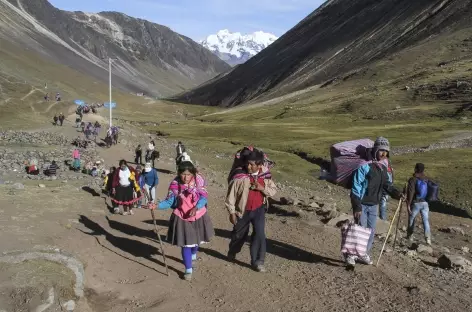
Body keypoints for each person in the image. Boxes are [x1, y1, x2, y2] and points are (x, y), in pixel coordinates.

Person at [148, 161, 214, 281]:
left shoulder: (198, 182)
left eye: (188, 174)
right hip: (182, 217)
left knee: (196, 242)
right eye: (183, 174)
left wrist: (196, 207)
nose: (185, 177)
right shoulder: (175, 186)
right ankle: (188, 269)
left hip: (199, 215)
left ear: (193, 174)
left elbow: (204, 198)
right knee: (186, 244)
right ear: (179, 173)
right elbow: (169, 202)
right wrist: (156, 206)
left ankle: (194, 254)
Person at [348, 137, 404, 267]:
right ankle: (351, 255)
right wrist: (356, 206)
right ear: (375, 150)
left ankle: (362, 253)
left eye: (386, 151)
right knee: (360, 231)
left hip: (374, 205)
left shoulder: (383, 168)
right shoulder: (364, 166)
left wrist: (397, 193)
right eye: (381, 151)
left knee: (371, 232)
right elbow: (356, 187)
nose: (384, 154)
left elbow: (387, 185)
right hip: (361, 203)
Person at [225, 149, 277, 273]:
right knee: (239, 234)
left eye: (252, 164)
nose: (248, 166)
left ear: (259, 165)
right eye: (247, 163)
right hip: (242, 211)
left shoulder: (265, 175)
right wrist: (232, 212)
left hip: (259, 209)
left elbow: (273, 190)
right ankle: (233, 251)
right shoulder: (239, 176)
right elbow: (231, 196)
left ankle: (258, 261)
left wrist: (261, 188)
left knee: (259, 235)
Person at [406, 163, 432, 245]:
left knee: (411, 219)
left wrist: (408, 204)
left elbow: (411, 192)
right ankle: (428, 238)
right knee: (425, 220)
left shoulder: (413, 179)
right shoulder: (426, 179)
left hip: (416, 203)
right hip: (425, 203)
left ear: (415, 169)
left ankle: (410, 236)